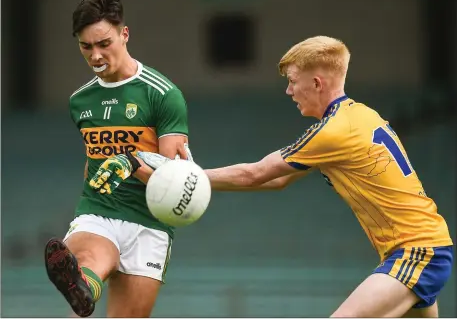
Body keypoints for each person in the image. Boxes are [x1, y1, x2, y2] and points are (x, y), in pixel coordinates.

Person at [131, 36, 454, 317]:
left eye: (293, 80)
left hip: (417, 250)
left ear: (317, 83)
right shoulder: (361, 115)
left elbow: (256, 173)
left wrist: (182, 175)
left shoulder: (333, 130)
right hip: (421, 248)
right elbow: (277, 179)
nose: (288, 90)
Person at [44, 0, 191, 318]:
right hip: (98, 212)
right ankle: (81, 286)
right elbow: (92, 158)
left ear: (124, 35)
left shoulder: (163, 95)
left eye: (103, 44)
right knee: (86, 266)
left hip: (149, 223)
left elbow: (173, 178)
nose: (95, 55)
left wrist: (131, 162)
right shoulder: (79, 100)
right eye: (86, 47)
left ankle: (85, 288)